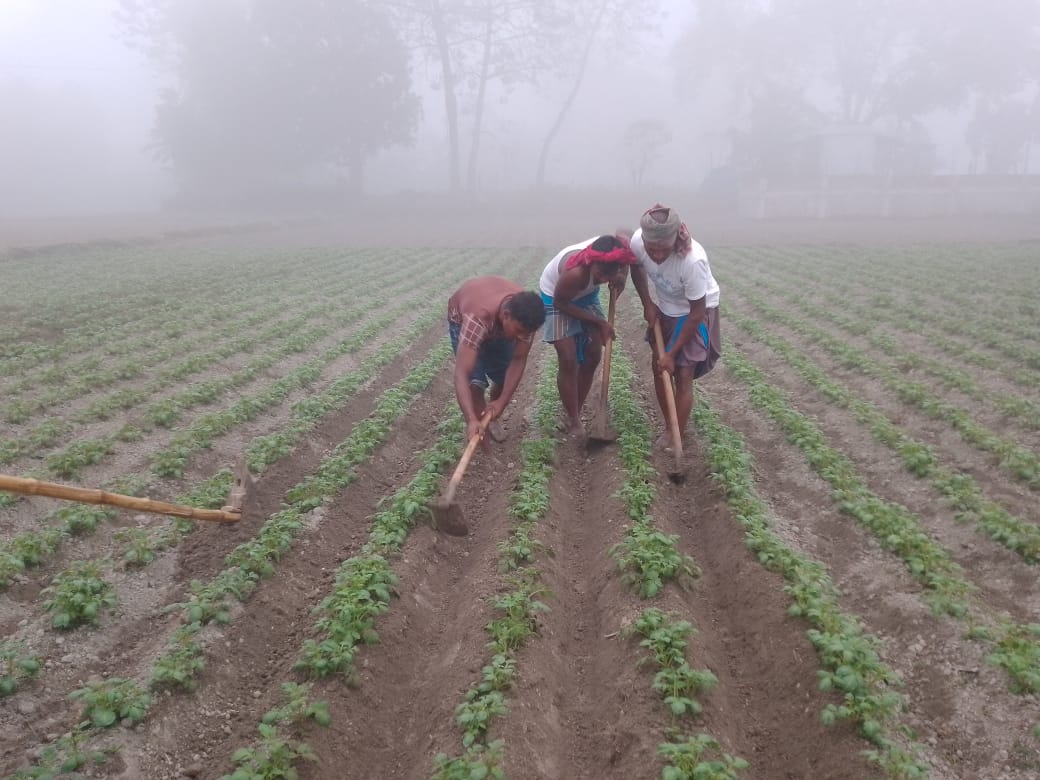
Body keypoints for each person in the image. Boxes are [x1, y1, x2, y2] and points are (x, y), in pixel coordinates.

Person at [628, 204, 722, 449]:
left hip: (696, 311)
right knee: (659, 368)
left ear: (675, 239)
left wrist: (671, 353)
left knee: (682, 372)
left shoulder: (692, 261)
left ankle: (675, 434)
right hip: (667, 308)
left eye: (663, 249)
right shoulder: (638, 242)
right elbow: (636, 266)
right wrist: (647, 302)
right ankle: (671, 426)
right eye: (652, 250)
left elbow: (697, 313)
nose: (657, 256)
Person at [539, 234, 636, 433]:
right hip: (557, 297)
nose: (602, 280)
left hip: (585, 295)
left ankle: (576, 409)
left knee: (593, 354)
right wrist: (599, 322)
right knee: (568, 357)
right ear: (593, 262)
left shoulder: (619, 256)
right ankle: (573, 418)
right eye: (600, 274)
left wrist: (621, 280)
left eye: (608, 277)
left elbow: (625, 262)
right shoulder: (576, 273)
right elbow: (561, 303)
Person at [447, 276, 546, 445]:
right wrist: (471, 418)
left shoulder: (526, 319)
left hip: (496, 321)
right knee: (475, 383)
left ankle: (490, 416)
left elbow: (518, 359)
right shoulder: (477, 318)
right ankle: (479, 432)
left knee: (502, 377)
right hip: (463, 317)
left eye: (526, 333)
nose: (522, 337)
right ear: (506, 316)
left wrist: (502, 401)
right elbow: (462, 374)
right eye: (519, 331)